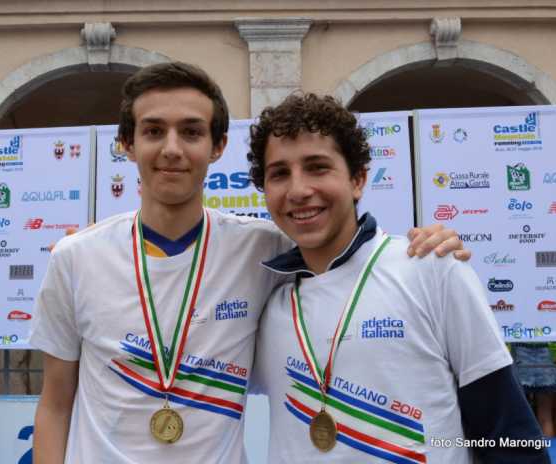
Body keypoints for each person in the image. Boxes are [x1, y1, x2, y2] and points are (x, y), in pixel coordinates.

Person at [29, 62, 465, 464]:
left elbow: (345, 247)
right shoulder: (77, 257)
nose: (172, 149)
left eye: (192, 132)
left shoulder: (265, 248)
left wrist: (425, 242)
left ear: (218, 146)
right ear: (127, 143)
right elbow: (55, 403)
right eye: (154, 131)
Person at [249, 93, 550, 463]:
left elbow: (509, 431)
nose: (298, 190)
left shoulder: (431, 268)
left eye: (317, 167)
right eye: (280, 173)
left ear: (358, 179)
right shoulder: (267, 299)